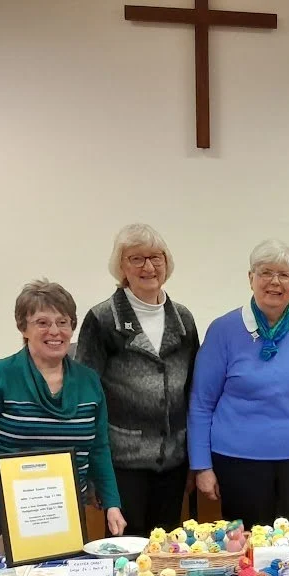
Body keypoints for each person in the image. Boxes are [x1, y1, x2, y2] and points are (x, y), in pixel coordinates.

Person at [0, 280, 125, 548]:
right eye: (42, 322)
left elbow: (99, 449)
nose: (54, 331)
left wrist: (112, 503)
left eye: (63, 322)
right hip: (2, 513)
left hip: (64, 516)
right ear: (24, 328)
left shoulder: (90, 382)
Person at [187, 239, 289, 528]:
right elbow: (201, 403)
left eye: (284, 275)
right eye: (265, 272)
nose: (275, 282)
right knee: (248, 553)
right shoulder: (223, 330)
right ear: (250, 278)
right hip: (238, 463)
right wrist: (202, 466)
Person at [75, 224, 199, 536]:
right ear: (121, 267)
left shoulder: (183, 318)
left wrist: (195, 461)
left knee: (168, 554)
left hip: (173, 463)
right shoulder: (102, 319)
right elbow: (86, 396)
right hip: (122, 464)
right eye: (136, 259)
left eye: (156, 258)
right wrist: (91, 470)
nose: (148, 267)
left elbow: (194, 390)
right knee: (126, 556)